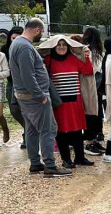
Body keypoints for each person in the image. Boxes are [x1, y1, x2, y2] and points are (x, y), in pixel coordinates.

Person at [8, 18, 73, 178]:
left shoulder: (18, 44)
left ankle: (35, 163)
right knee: (48, 130)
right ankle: (50, 165)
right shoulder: (24, 47)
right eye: (42, 32)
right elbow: (28, 75)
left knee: (31, 129)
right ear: (36, 30)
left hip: (25, 96)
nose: (41, 35)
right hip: (34, 97)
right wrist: (40, 96)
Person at [41, 35, 95, 168]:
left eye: (64, 45)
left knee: (77, 130)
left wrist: (86, 56)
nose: (61, 47)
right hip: (58, 103)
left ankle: (80, 158)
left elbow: (88, 71)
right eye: (58, 45)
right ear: (54, 46)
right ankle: (66, 159)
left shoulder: (74, 59)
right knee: (61, 131)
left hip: (75, 101)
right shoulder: (48, 60)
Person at [81, 28, 106, 156]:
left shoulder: (96, 51)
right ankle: (89, 142)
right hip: (90, 85)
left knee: (97, 114)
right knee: (91, 114)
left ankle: (94, 139)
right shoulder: (87, 51)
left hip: (97, 85)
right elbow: (93, 68)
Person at [2, 26, 26, 149]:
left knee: (26, 109)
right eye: (13, 38)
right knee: (14, 110)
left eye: (18, 38)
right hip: (11, 82)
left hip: (24, 83)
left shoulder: (26, 49)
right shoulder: (4, 49)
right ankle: (28, 129)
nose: (15, 41)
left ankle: (28, 135)